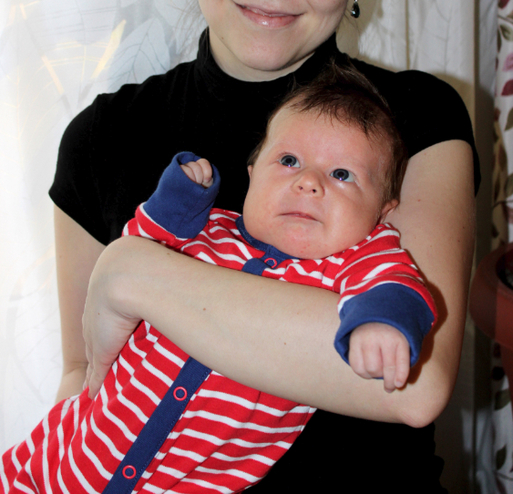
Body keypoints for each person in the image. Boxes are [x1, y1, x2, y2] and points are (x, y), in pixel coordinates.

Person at [49, 0, 478, 492]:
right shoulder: (101, 138)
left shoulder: (416, 119)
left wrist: (136, 273)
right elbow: (85, 377)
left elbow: (410, 381)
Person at [1, 67, 438, 493]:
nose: (308, 182)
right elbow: (141, 248)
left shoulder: (358, 260)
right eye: (289, 161)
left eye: (342, 174)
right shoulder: (211, 229)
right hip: (59, 462)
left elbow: (397, 284)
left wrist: (384, 322)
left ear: (382, 213)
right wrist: (177, 199)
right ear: (252, 174)